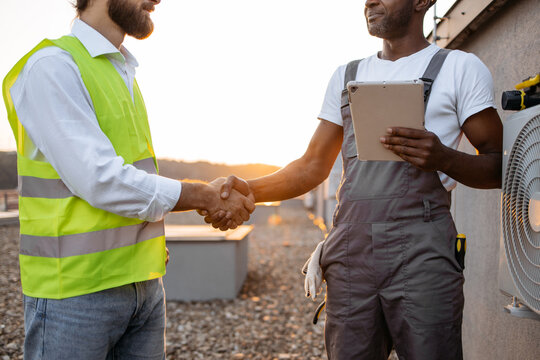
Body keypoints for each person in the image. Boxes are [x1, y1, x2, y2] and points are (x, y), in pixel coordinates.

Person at [210, 0, 503, 359]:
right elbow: (311, 166)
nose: (370, 2)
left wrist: (443, 157)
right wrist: (251, 188)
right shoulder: (347, 76)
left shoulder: (459, 68)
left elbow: (498, 167)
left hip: (423, 254)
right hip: (352, 254)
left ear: (423, 2)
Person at [2, 0, 254, 358]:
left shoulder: (120, 72)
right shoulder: (52, 67)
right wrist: (203, 195)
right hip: (73, 298)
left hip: (144, 288)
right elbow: (102, 179)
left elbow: (134, 180)